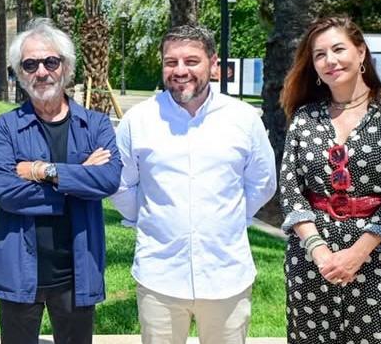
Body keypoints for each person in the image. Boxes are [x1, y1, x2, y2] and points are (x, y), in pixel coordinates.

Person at [112, 25, 277, 344]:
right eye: (170, 62)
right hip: (158, 276)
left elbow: (262, 182)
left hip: (227, 276)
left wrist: (229, 219)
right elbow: (121, 185)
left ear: (213, 64)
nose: (180, 70)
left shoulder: (243, 119)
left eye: (191, 61)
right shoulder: (139, 120)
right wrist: (151, 222)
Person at [279, 17, 381, 344]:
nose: (330, 60)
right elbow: (291, 192)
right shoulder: (305, 118)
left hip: (377, 260)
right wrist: (320, 253)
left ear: (360, 53)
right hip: (312, 261)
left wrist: (356, 254)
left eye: (338, 49)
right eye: (319, 55)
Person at [0, 19, 122, 344]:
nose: (42, 71)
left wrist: (41, 171)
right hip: (19, 271)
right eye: (30, 64)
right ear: (20, 74)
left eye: (51, 61)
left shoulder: (96, 125)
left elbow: (107, 179)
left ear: (66, 67)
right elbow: (5, 192)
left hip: (76, 272)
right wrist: (77, 178)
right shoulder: (5, 128)